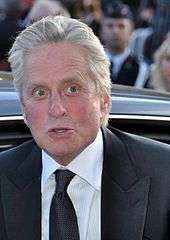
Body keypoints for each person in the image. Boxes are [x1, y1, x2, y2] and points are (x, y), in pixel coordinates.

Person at [1, 15, 170, 240]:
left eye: (72, 89)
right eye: (40, 92)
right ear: (23, 107)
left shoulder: (164, 176)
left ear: (104, 100)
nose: (56, 109)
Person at [100, 0, 149, 88]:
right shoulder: (91, 65)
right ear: (101, 31)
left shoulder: (142, 69)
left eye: (121, 26)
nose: (115, 31)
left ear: (131, 31)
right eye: (110, 26)